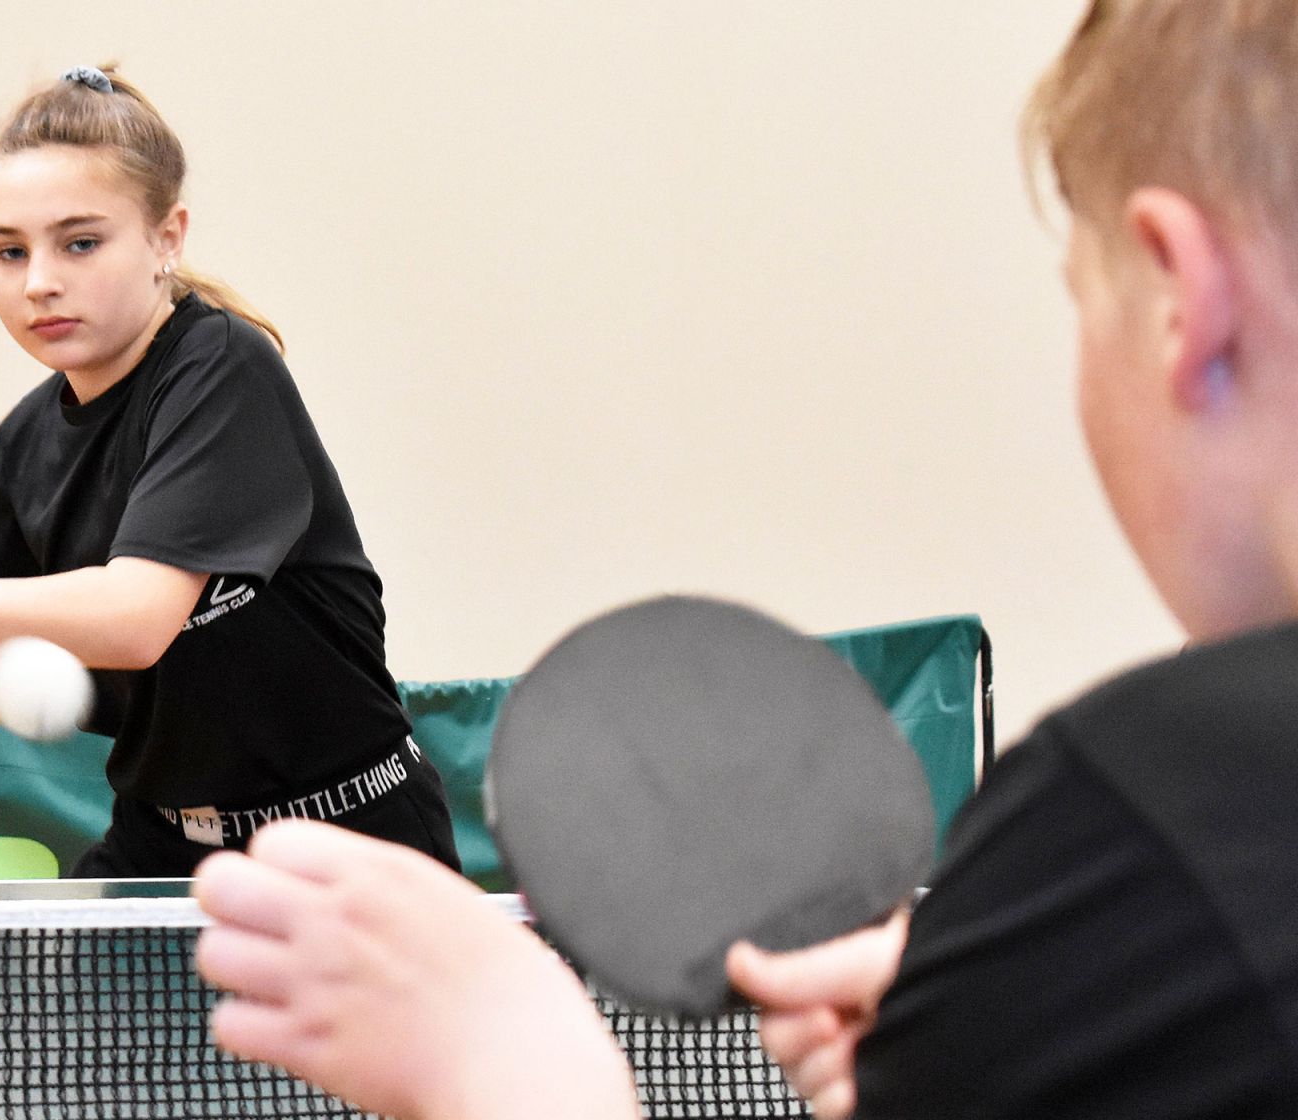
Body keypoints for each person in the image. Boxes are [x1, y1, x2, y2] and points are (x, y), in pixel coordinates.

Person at [192, 2, 1298, 1115]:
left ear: (1177, 296)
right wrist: (1001, 1041)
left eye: (1083, 297)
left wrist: (511, 1064)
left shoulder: (1158, 814)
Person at [0, 66, 460, 879]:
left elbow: (135, 618)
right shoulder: (24, 441)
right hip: (165, 849)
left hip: (352, 842)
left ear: (168, 237)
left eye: (81, 242)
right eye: (7, 251)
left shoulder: (223, 366)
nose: (39, 282)